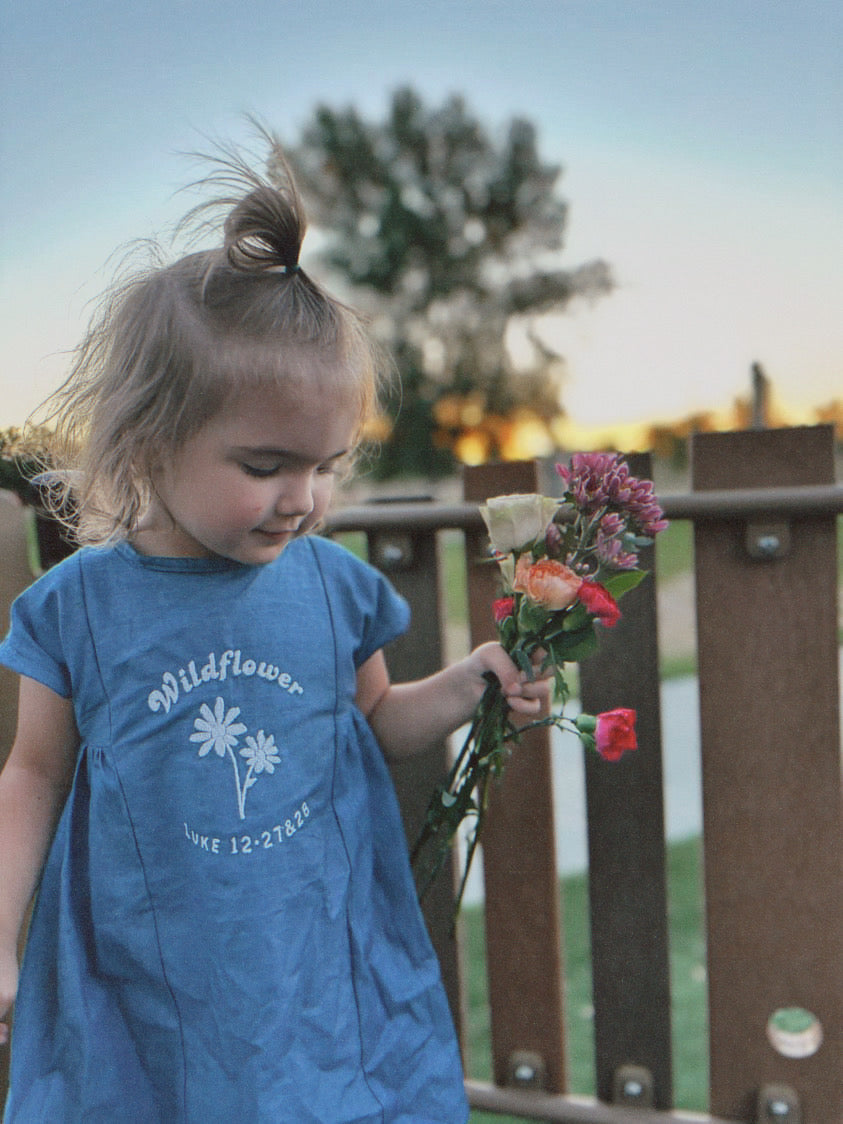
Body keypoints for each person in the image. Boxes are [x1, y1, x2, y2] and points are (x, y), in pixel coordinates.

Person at [0, 130, 549, 1122]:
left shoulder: (334, 587)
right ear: (150, 439)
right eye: (264, 465)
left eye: (328, 463)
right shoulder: (76, 604)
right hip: (149, 984)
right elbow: (33, 771)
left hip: (317, 975)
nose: (303, 496)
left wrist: (476, 677)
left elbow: (377, 719)